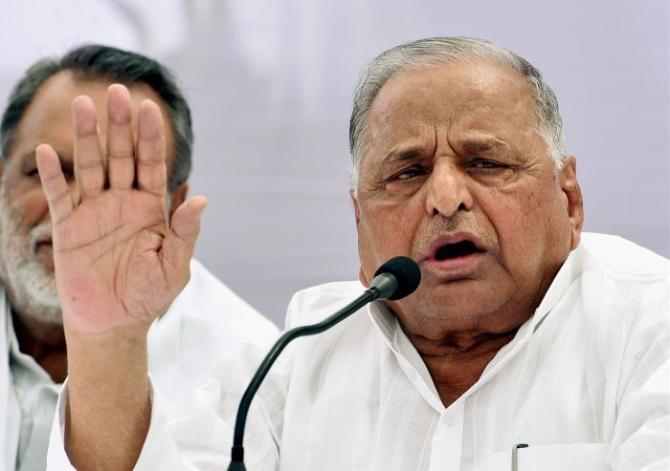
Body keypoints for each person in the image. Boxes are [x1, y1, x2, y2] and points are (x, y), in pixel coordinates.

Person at [47, 37, 668, 470]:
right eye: (406, 173)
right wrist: (107, 339)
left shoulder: (648, 328)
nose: (446, 198)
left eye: (486, 163)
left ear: (570, 198)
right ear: (358, 223)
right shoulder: (295, 363)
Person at [0, 44, 278, 471]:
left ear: (174, 204)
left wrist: (110, 343)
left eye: (116, 184)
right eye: (47, 172)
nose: (74, 211)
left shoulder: (254, 369)